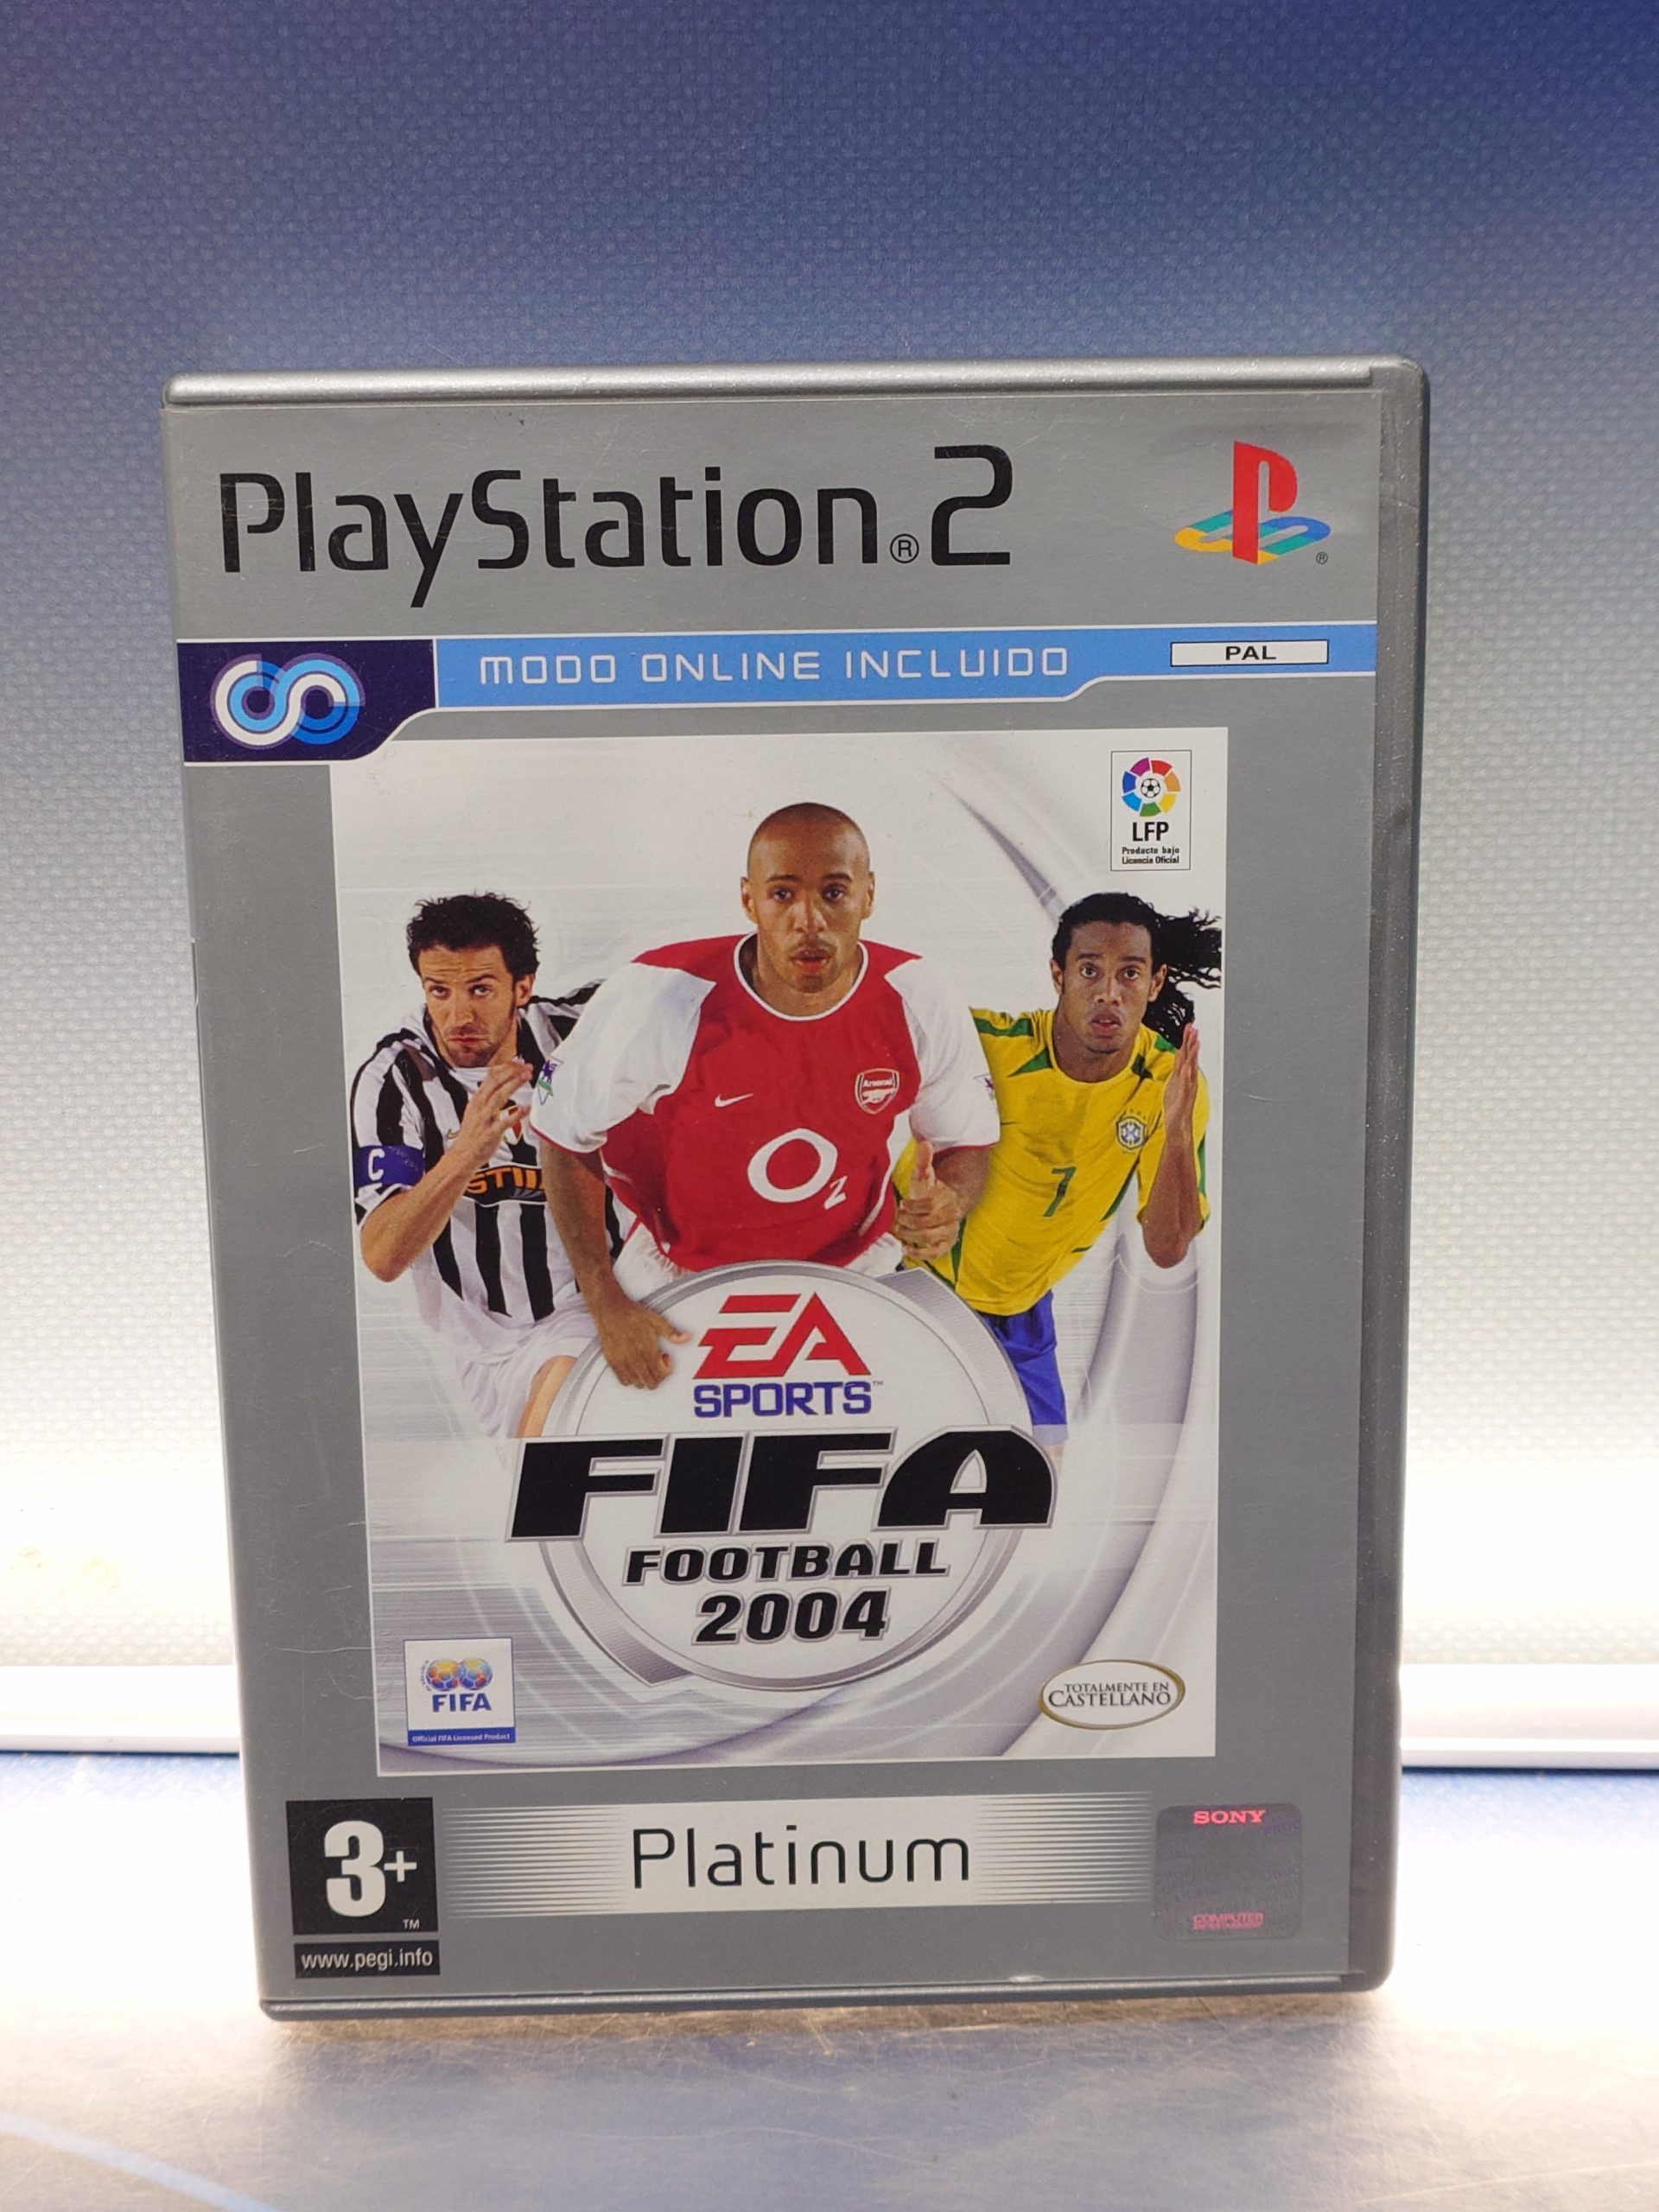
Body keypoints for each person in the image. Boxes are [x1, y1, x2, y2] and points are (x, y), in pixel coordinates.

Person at [530, 802, 999, 1389]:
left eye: (834, 892)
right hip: (680, 1274)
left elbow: (964, 1142)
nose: (810, 920)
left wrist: (949, 1202)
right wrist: (603, 1302)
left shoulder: (918, 996)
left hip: (858, 1267)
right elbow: (562, 1133)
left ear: (869, 896)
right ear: (749, 901)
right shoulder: (659, 997)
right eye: (783, 894)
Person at [899, 891, 1220, 1446]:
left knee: (1044, 1475)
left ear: (1156, 983)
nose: (1108, 993)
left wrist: (1173, 1130)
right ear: (1058, 975)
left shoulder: (1170, 1083)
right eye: (1090, 970)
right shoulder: (986, 1046)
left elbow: (1168, 1248)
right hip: (922, 1292)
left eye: (1130, 974)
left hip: (1022, 1312)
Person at [350, 893, 603, 1437]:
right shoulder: (396, 1080)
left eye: (481, 989)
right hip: (476, 1339)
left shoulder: (577, 1035)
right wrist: (466, 1152)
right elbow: (383, 1254)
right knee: (528, 1476)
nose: (458, 1016)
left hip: (589, 1307)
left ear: (523, 987)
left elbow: (676, 996)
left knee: (550, 1443)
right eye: (439, 991)